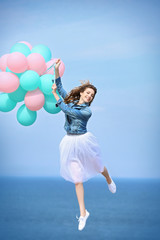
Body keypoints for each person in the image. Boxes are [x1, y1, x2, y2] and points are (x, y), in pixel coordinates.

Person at [52, 59, 116, 231]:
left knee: (98, 166)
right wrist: (56, 70)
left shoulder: (87, 111)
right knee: (77, 179)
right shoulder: (72, 101)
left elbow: (67, 110)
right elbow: (59, 86)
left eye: (92, 95)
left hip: (84, 141)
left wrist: (56, 97)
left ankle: (109, 179)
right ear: (81, 93)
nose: (89, 96)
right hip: (69, 142)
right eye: (87, 93)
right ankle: (83, 213)